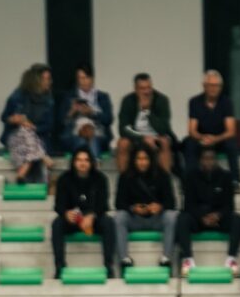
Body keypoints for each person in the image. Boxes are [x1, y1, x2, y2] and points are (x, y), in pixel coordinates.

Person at [51, 148, 117, 278]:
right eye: (79, 160)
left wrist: (92, 216)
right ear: (74, 162)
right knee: (57, 224)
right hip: (72, 219)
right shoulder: (64, 179)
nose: (83, 163)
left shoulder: (100, 178)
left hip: (93, 219)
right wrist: (65, 213)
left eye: (86, 160)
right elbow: (58, 205)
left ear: (91, 162)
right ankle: (60, 266)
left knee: (109, 222)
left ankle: (108, 266)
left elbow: (104, 205)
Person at [114, 142, 179, 272]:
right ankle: (124, 259)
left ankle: (166, 258)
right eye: (139, 159)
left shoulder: (162, 175)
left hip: (156, 219)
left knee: (172, 216)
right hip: (135, 220)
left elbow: (172, 203)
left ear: (151, 159)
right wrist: (134, 208)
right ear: (134, 160)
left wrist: (160, 207)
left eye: (145, 159)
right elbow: (118, 203)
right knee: (119, 217)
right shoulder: (125, 176)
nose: (142, 162)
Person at [176, 145, 239, 277]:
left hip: (219, 220)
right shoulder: (191, 176)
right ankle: (188, 259)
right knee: (182, 219)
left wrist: (218, 215)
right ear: (200, 160)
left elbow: (229, 206)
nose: (209, 162)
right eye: (205, 158)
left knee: (237, 219)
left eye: (212, 158)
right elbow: (188, 205)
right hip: (198, 220)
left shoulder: (226, 176)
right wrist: (202, 217)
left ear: (216, 160)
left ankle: (231, 259)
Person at [0, 63, 57, 185]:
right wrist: (14, 119)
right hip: (17, 137)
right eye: (46, 79)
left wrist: (33, 127)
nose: (49, 82)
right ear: (37, 80)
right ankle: (41, 156)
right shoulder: (18, 95)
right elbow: (5, 117)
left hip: (38, 138)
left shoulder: (49, 100)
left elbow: (49, 126)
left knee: (27, 131)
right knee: (23, 130)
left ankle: (23, 173)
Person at [185, 70, 240, 188]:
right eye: (211, 85)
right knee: (189, 143)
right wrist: (202, 137)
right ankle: (190, 181)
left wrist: (215, 139)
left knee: (231, 144)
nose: (214, 89)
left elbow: (231, 130)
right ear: (204, 86)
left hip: (220, 139)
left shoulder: (226, 102)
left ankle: (235, 180)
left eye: (217, 86)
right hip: (202, 138)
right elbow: (192, 130)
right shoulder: (194, 102)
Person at [115, 72, 176, 176]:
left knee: (165, 142)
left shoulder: (161, 100)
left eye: (149, 87)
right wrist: (142, 138)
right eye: (142, 89)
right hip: (136, 137)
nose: (147, 92)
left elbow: (164, 128)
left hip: (156, 137)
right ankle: (124, 181)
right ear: (135, 89)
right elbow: (123, 129)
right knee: (122, 143)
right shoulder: (128, 101)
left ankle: (166, 182)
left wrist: (148, 112)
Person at [58, 65, 114, 160]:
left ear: (92, 79)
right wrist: (71, 112)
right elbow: (60, 122)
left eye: (85, 78)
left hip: (98, 133)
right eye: (80, 78)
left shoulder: (102, 97)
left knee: (92, 140)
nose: (83, 81)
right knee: (81, 140)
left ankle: (92, 169)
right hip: (74, 133)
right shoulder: (69, 97)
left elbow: (108, 119)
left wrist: (92, 112)